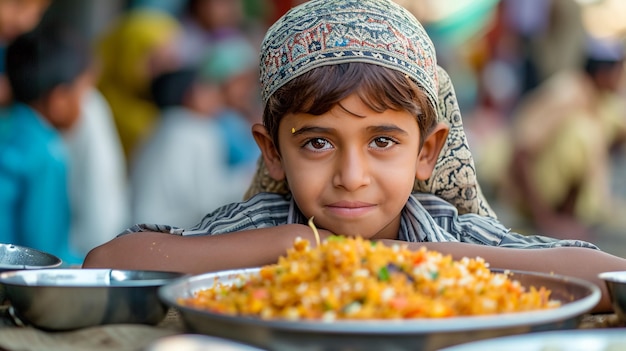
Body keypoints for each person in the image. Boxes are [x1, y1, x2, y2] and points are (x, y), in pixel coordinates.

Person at [84, 0, 626, 313]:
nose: (351, 176)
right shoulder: (263, 226)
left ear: (427, 151)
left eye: (382, 141)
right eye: (317, 142)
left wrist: (416, 265)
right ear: (273, 153)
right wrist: (292, 245)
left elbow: (609, 277)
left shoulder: (439, 233)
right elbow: (106, 265)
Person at [501, 35, 626, 241]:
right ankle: (558, 216)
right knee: (583, 134)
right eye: (619, 71)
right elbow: (520, 154)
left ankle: (572, 216)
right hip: (534, 200)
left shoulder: (599, 98)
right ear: (604, 73)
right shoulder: (567, 94)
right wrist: (547, 220)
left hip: (565, 204)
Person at [1, 23, 92, 264]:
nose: (84, 106)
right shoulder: (47, 153)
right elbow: (47, 254)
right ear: (58, 100)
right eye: (83, 94)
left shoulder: (8, 126)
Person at [130, 68, 249, 228]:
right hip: (169, 231)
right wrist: (249, 178)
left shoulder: (161, 125)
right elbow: (207, 199)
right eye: (205, 88)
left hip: (135, 228)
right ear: (189, 95)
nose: (216, 94)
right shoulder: (198, 130)